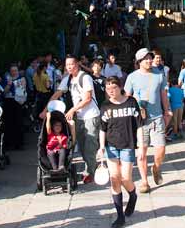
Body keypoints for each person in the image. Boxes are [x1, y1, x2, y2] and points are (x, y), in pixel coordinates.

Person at [42, 55, 102, 183]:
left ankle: (91, 173)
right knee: (80, 145)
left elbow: (87, 98)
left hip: (90, 115)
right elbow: (57, 94)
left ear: (78, 64)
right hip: (78, 117)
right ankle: (91, 167)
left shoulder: (85, 77)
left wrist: (72, 110)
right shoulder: (68, 79)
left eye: (72, 64)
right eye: (67, 65)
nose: (69, 67)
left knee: (89, 146)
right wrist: (45, 110)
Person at [124, 48, 171, 193]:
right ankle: (144, 182)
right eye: (146, 59)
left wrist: (167, 110)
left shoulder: (159, 74)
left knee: (161, 150)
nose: (149, 61)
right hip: (140, 120)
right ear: (139, 62)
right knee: (142, 152)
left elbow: (163, 93)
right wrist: (134, 104)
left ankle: (156, 167)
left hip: (157, 117)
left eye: (150, 58)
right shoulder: (132, 77)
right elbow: (127, 96)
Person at [98, 76, 143, 228]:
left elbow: (139, 126)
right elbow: (102, 129)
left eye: (114, 88)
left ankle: (133, 194)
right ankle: (120, 216)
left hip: (128, 145)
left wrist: (141, 145)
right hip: (111, 146)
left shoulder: (131, 102)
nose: (111, 91)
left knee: (125, 178)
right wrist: (101, 146)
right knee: (114, 178)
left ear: (120, 87)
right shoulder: (105, 106)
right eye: (108, 88)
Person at [2, 64, 27, 150]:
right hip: (9, 101)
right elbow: (3, 92)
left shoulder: (22, 78)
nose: (14, 72)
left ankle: (19, 144)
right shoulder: (6, 78)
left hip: (18, 101)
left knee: (18, 122)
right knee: (9, 122)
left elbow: (23, 89)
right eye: (12, 71)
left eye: (15, 71)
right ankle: (9, 143)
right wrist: (8, 85)